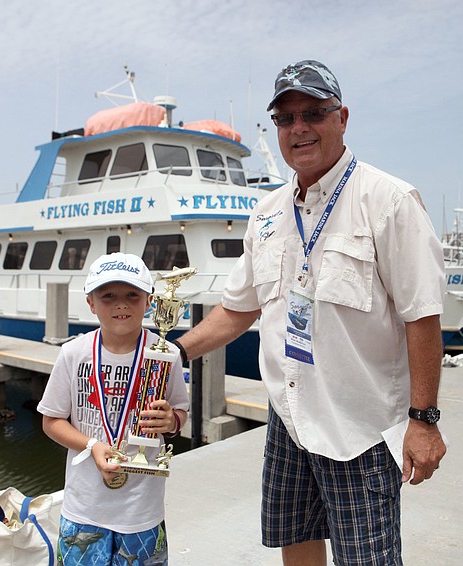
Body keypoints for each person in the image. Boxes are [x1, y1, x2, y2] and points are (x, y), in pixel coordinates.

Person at [174, 60, 447, 565]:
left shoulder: (388, 201)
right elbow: (238, 311)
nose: (299, 127)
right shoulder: (268, 212)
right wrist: (173, 351)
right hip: (289, 416)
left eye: (314, 113)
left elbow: (422, 318)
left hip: (359, 427)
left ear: (342, 117)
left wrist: (424, 420)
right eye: (285, 117)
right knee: (294, 539)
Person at [38, 253, 190, 564]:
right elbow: (51, 421)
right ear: (91, 303)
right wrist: (92, 445)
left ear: (148, 301)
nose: (121, 304)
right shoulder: (72, 353)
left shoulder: (167, 354)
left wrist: (169, 420)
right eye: (108, 296)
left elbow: (180, 414)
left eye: (132, 295)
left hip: (142, 509)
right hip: (84, 508)